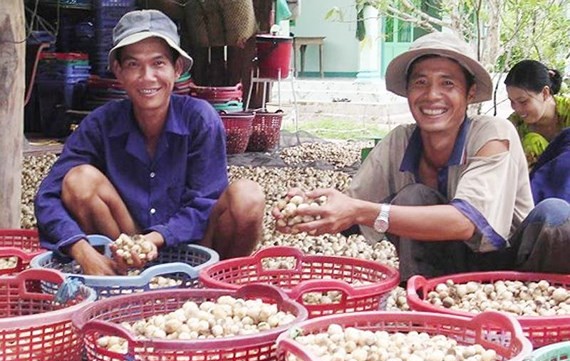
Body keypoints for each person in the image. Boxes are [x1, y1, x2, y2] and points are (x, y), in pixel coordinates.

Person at [273, 31, 570, 281]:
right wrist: (309, 210)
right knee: (414, 197)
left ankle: (541, 319)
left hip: (513, 265)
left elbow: (465, 223)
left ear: (469, 93)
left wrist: (363, 212)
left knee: (555, 214)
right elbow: (352, 208)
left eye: (448, 83)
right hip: (447, 275)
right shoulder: (400, 141)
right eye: (420, 82)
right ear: (408, 92)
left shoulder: (493, 133)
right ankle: (427, 309)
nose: (432, 95)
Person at [34, 9, 265, 275]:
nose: (147, 77)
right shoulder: (100, 124)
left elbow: (205, 203)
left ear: (177, 69)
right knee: (79, 180)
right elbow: (47, 196)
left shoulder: (200, 119)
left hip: (197, 249)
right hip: (127, 247)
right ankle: (123, 276)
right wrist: (80, 249)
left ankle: (217, 283)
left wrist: (155, 238)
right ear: (118, 71)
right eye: (133, 64)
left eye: (158, 63)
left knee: (248, 197)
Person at [505, 60, 570, 202]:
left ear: (545, 93)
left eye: (523, 101)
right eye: (512, 102)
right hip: (534, 195)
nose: (517, 108)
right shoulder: (513, 126)